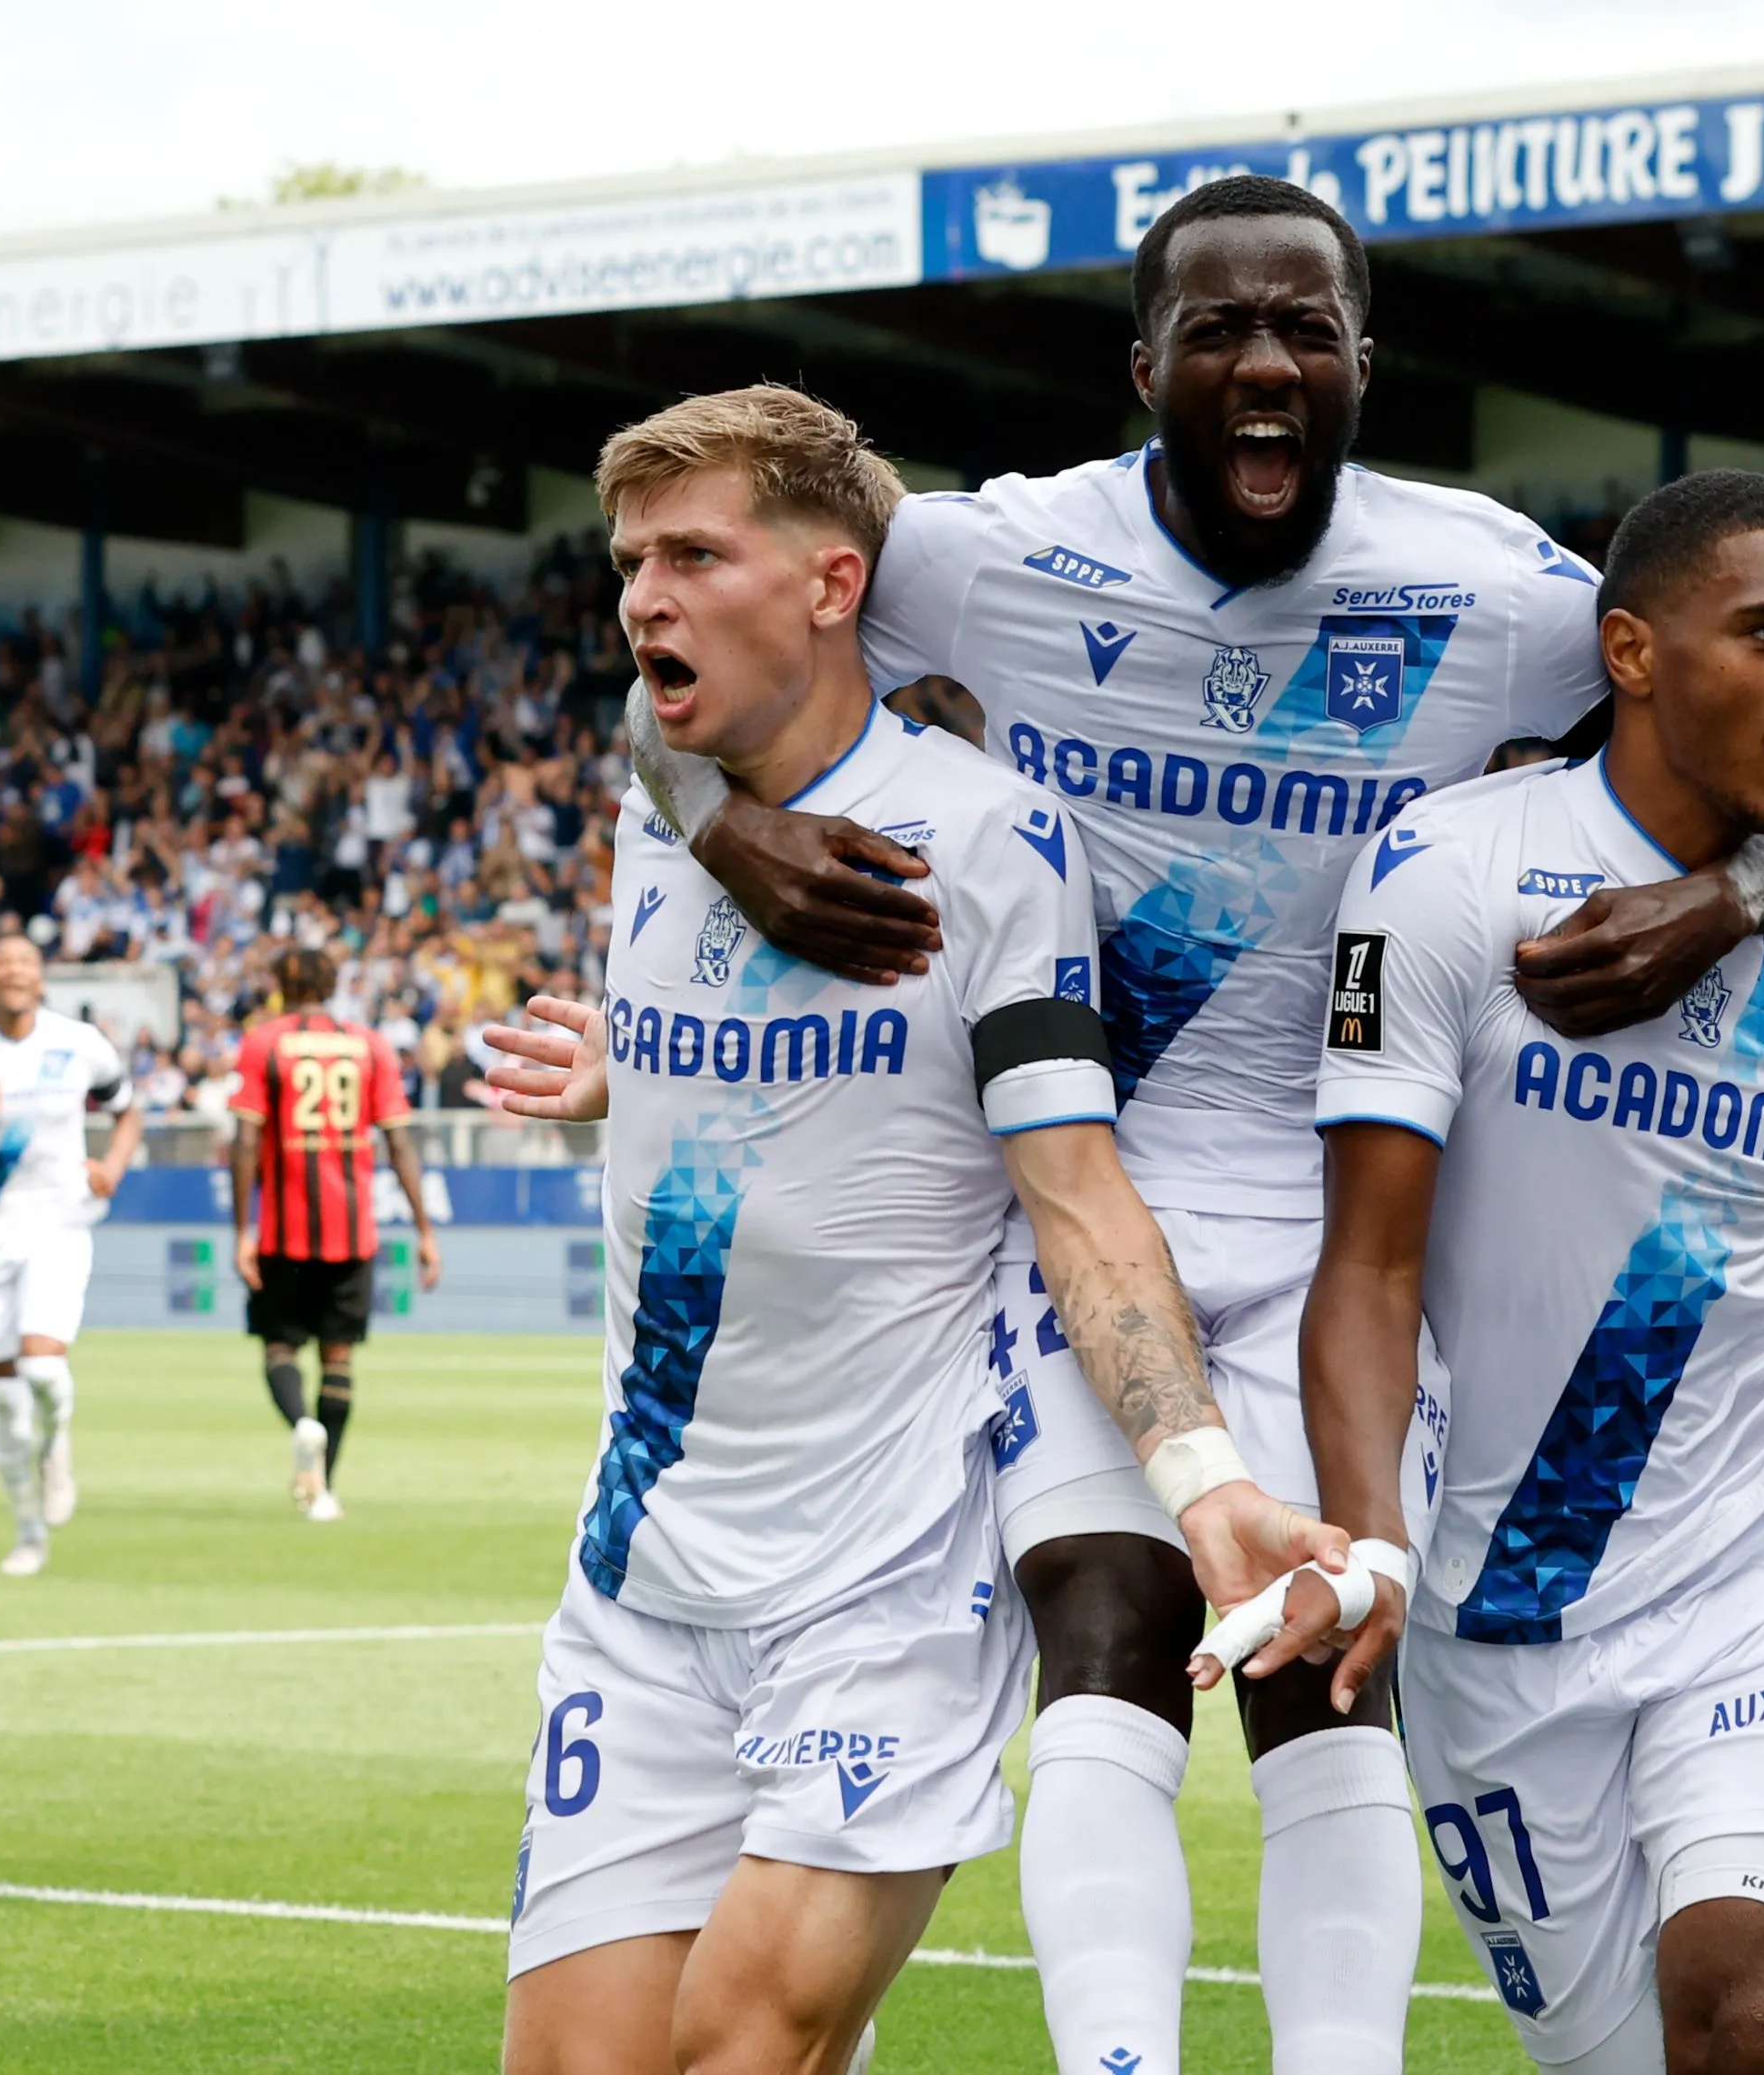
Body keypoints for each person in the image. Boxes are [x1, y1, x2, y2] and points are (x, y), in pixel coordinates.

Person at [628, 176, 1764, 2075]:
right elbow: (698, 620)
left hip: (1361, 1228)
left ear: (1365, 365)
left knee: (1319, 1660)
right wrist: (720, 818)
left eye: (1306, 331)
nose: (1264, 363)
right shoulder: (983, 554)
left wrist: (1724, 900)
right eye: (1218, 332)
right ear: (1146, 369)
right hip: (1086, 1193)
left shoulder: (1497, 590)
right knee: (1103, 1621)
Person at [482, 389, 1341, 2075]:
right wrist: (624, 1073)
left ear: (828, 582)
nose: (641, 595)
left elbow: (1077, 1196)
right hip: (641, 1577)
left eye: (692, 554)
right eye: (629, 560)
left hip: (876, 1582)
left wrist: (1202, 1480)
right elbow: (758, 1089)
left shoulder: (985, 841)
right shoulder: (658, 817)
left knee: (743, 2044)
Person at [1279, 471, 1764, 2074]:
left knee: (1745, 2008)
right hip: (1497, 1619)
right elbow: (1369, 1265)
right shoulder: (1443, 878)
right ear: (1632, 652)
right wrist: (1369, 1539)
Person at [0, 933, 143, 1576]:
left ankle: (59, 1442)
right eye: (1, 963)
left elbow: (129, 1112)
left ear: (42, 980)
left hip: (60, 1225)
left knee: (43, 1371)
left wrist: (115, 1167)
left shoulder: (79, 1044)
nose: (14, 971)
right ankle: (27, 1532)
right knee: (6, 1402)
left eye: (25, 962)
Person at [230, 943, 443, 1523]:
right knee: (340, 1357)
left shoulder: (263, 1043)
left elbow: (246, 1141)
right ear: (332, 983)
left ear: (280, 984)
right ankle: (322, 1490)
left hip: (283, 1232)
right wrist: (425, 1229)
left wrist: (243, 1229)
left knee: (280, 1347)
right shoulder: (369, 1045)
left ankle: (302, 1426)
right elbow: (399, 1142)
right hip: (354, 1233)